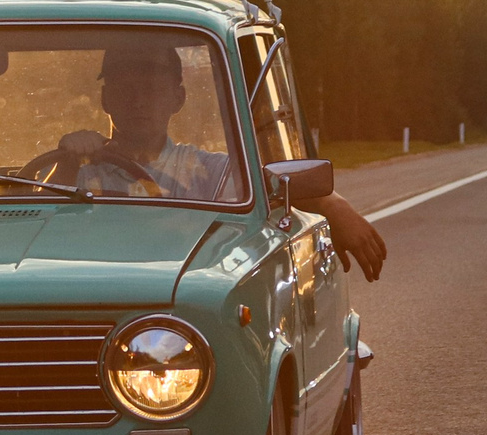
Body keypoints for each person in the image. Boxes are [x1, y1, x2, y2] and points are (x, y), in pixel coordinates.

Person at [23, 42, 388, 280]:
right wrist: (68, 161)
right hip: (91, 285)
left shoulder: (206, 170)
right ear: (106, 99)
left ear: (177, 98)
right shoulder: (81, 169)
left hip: (175, 299)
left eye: (151, 89)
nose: (138, 102)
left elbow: (270, 185)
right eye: (125, 90)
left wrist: (333, 205)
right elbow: (33, 227)